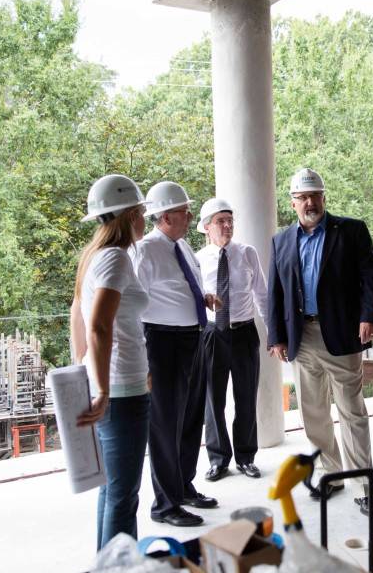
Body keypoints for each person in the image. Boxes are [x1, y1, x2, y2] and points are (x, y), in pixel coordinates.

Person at [266, 168, 373, 517]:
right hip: (302, 338)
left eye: (314, 195)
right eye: (302, 197)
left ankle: (363, 484)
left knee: (352, 412)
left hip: (343, 334)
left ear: (324, 198)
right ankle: (331, 474)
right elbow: (275, 291)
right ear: (293, 203)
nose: (309, 202)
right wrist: (276, 336)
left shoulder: (351, 230)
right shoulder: (281, 241)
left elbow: (370, 276)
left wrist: (369, 317)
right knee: (313, 412)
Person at [70, 174, 150, 550]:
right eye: (141, 213)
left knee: (111, 490)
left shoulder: (95, 256)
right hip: (120, 392)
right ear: (129, 214)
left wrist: (83, 368)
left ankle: (108, 561)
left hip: (115, 385)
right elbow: (99, 326)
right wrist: (101, 388)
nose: (144, 220)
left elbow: (77, 314)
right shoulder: (116, 258)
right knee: (123, 495)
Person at [131, 181, 218, 527]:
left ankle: (182, 486)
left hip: (190, 339)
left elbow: (183, 287)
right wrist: (142, 359)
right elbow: (134, 305)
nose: (190, 216)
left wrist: (204, 298)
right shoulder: (145, 250)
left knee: (190, 417)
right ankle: (165, 505)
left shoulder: (180, 246)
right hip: (161, 343)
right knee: (165, 425)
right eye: (184, 211)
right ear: (165, 216)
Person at [195, 198, 267, 482]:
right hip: (213, 334)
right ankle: (218, 460)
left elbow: (262, 294)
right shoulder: (197, 259)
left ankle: (246, 457)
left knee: (246, 397)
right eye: (220, 221)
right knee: (213, 401)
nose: (227, 225)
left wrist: (274, 334)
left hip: (245, 332)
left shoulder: (247, 253)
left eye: (229, 220)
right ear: (206, 228)